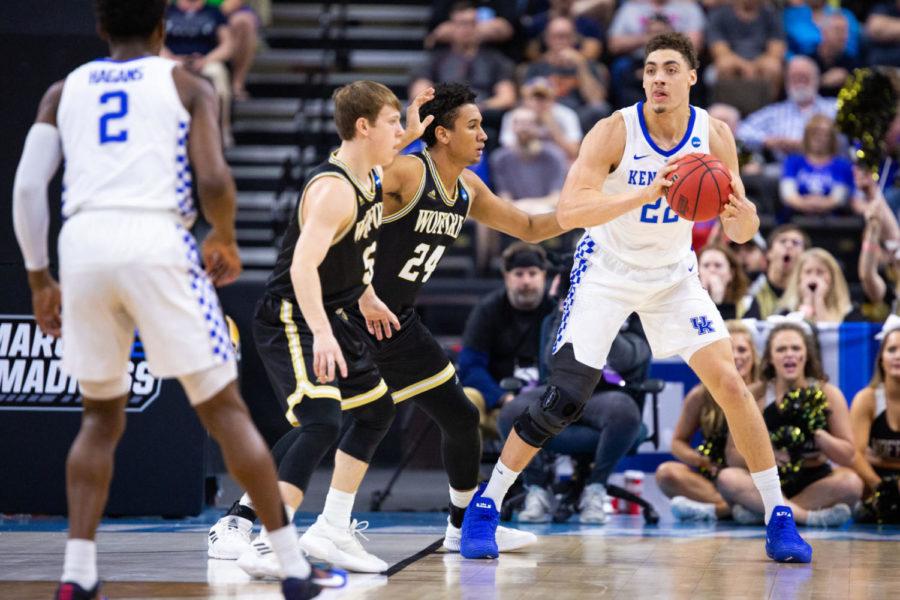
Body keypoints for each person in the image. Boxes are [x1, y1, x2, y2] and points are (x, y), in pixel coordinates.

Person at [460, 32, 813, 564]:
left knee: (732, 384)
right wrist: (646, 193)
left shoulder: (713, 135)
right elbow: (572, 208)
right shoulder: (613, 131)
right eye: (651, 69)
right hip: (607, 268)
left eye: (671, 69)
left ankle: (778, 516)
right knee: (565, 397)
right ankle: (486, 506)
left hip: (672, 274)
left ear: (692, 77)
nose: (659, 79)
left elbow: (741, 232)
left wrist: (744, 219)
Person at [10, 1, 323, 598]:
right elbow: (212, 179)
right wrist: (224, 235)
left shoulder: (63, 89)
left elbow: (28, 187)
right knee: (225, 411)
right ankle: (292, 568)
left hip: (82, 240)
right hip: (157, 237)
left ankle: (77, 575)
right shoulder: (185, 81)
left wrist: (39, 278)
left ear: (101, 28)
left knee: (100, 418)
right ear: (162, 29)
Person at [211, 82, 565, 568]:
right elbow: (361, 168)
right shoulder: (401, 172)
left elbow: (528, 226)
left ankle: (455, 527)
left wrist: (607, 205)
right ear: (442, 134)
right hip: (347, 314)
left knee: (447, 416)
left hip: (392, 316)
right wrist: (407, 136)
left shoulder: (464, 186)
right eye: (473, 125)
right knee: (322, 421)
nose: (485, 134)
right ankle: (248, 521)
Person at [216, 81, 406, 578]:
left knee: (374, 412)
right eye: (394, 122)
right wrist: (321, 332)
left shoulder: (370, 172)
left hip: (335, 311)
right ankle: (266, 542)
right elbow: (303, 269)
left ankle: (332, 530)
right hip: (293, 317)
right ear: (363, 127)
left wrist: (366, 296)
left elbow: (353, 252)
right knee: (320, 421)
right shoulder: (333, 190)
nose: (401, 133)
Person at [716, 323, 862, 526]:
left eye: (795, 348)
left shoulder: (828, 393)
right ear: (770, 358)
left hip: (814, 480)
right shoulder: (754, 394)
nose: (789, 354)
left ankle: (764, 513)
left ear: (807, 355)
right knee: (727, 477)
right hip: (768, 480)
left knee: (851, 483)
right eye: (781, 349)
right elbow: (732, 456)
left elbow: (848, 455)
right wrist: (768, 455)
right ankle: (806, 518)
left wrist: (818, 433)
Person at [656, 321, 758, 522]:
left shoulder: (763, 390)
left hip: (753, 476)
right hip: (715, 476)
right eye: (729, 349)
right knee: (666, 473)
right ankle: (733, 509)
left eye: (742, 349)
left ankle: (715, 511)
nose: (735, 356)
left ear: (754, 355)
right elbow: (677, 442)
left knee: (734, 478)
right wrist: (698, 460)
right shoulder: (700, 395)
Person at [459, 243, 558, 437]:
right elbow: (470, 367)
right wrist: (503, 397)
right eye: (519, 274)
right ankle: (468, 468)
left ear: (544, 275)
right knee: (468, 399)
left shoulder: (557, 310)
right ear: (506, 276)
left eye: (532, 273)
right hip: (499, 405)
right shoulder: (487, 311)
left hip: (547, 405)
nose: (526, 281)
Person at [736, 56, 836, 164]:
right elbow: (742, 131)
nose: (800, 82)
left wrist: (808, 143)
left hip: (827, 168)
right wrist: (769, 141)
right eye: (794, 77)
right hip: (781, 169)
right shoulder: (775, 112)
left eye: (804, 77)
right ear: (787, 81)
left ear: (816, 79)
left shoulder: (833, 108)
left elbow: (847, 140)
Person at [162, 0, 235, 146]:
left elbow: (228, 45)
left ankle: (221, 129)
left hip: (205, 61)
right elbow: (155, 42)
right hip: (172, 61)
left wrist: (206, 60)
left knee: (218, 73)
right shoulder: (167, 12)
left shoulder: (213, 11)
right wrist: (173, 59)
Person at [850, 318, 900, 523]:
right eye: (892, 350)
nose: (898, 356)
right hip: (872, 481)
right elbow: (855, 454)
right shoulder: (867, 399)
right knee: (849, 482)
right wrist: (882, 488)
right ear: (881, 359)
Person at [778, 115, 854, 220]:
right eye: (814, 134)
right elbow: (787, 195)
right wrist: (805, 204)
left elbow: (839, 198)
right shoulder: (793, 161)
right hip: (795, 218)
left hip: (833, 223)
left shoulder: (842, 165)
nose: (819, 138)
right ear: (807, 136)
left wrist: (820, 204)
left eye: (825, 135)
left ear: (832, 139)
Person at [777, 247, 865, 323]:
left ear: (833, 277)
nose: (813, 278)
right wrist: (807, 301)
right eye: (808, 272)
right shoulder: (785, 313)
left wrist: (819, 300)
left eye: (820, 272)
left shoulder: (850, 313)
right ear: (798, 277)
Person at [744, 224, 810, 320]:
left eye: (795, 243)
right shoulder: (750, 289)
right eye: (782, 241)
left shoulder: (808, 293)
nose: (789, 245)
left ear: (804, 255)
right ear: (769, 253)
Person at [697, 244, 751, 319]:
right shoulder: (687, 302)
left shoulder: (746, 304)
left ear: (731, 273)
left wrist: (718, 302)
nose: (712, 270)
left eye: (718, 265)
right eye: (706, 265)